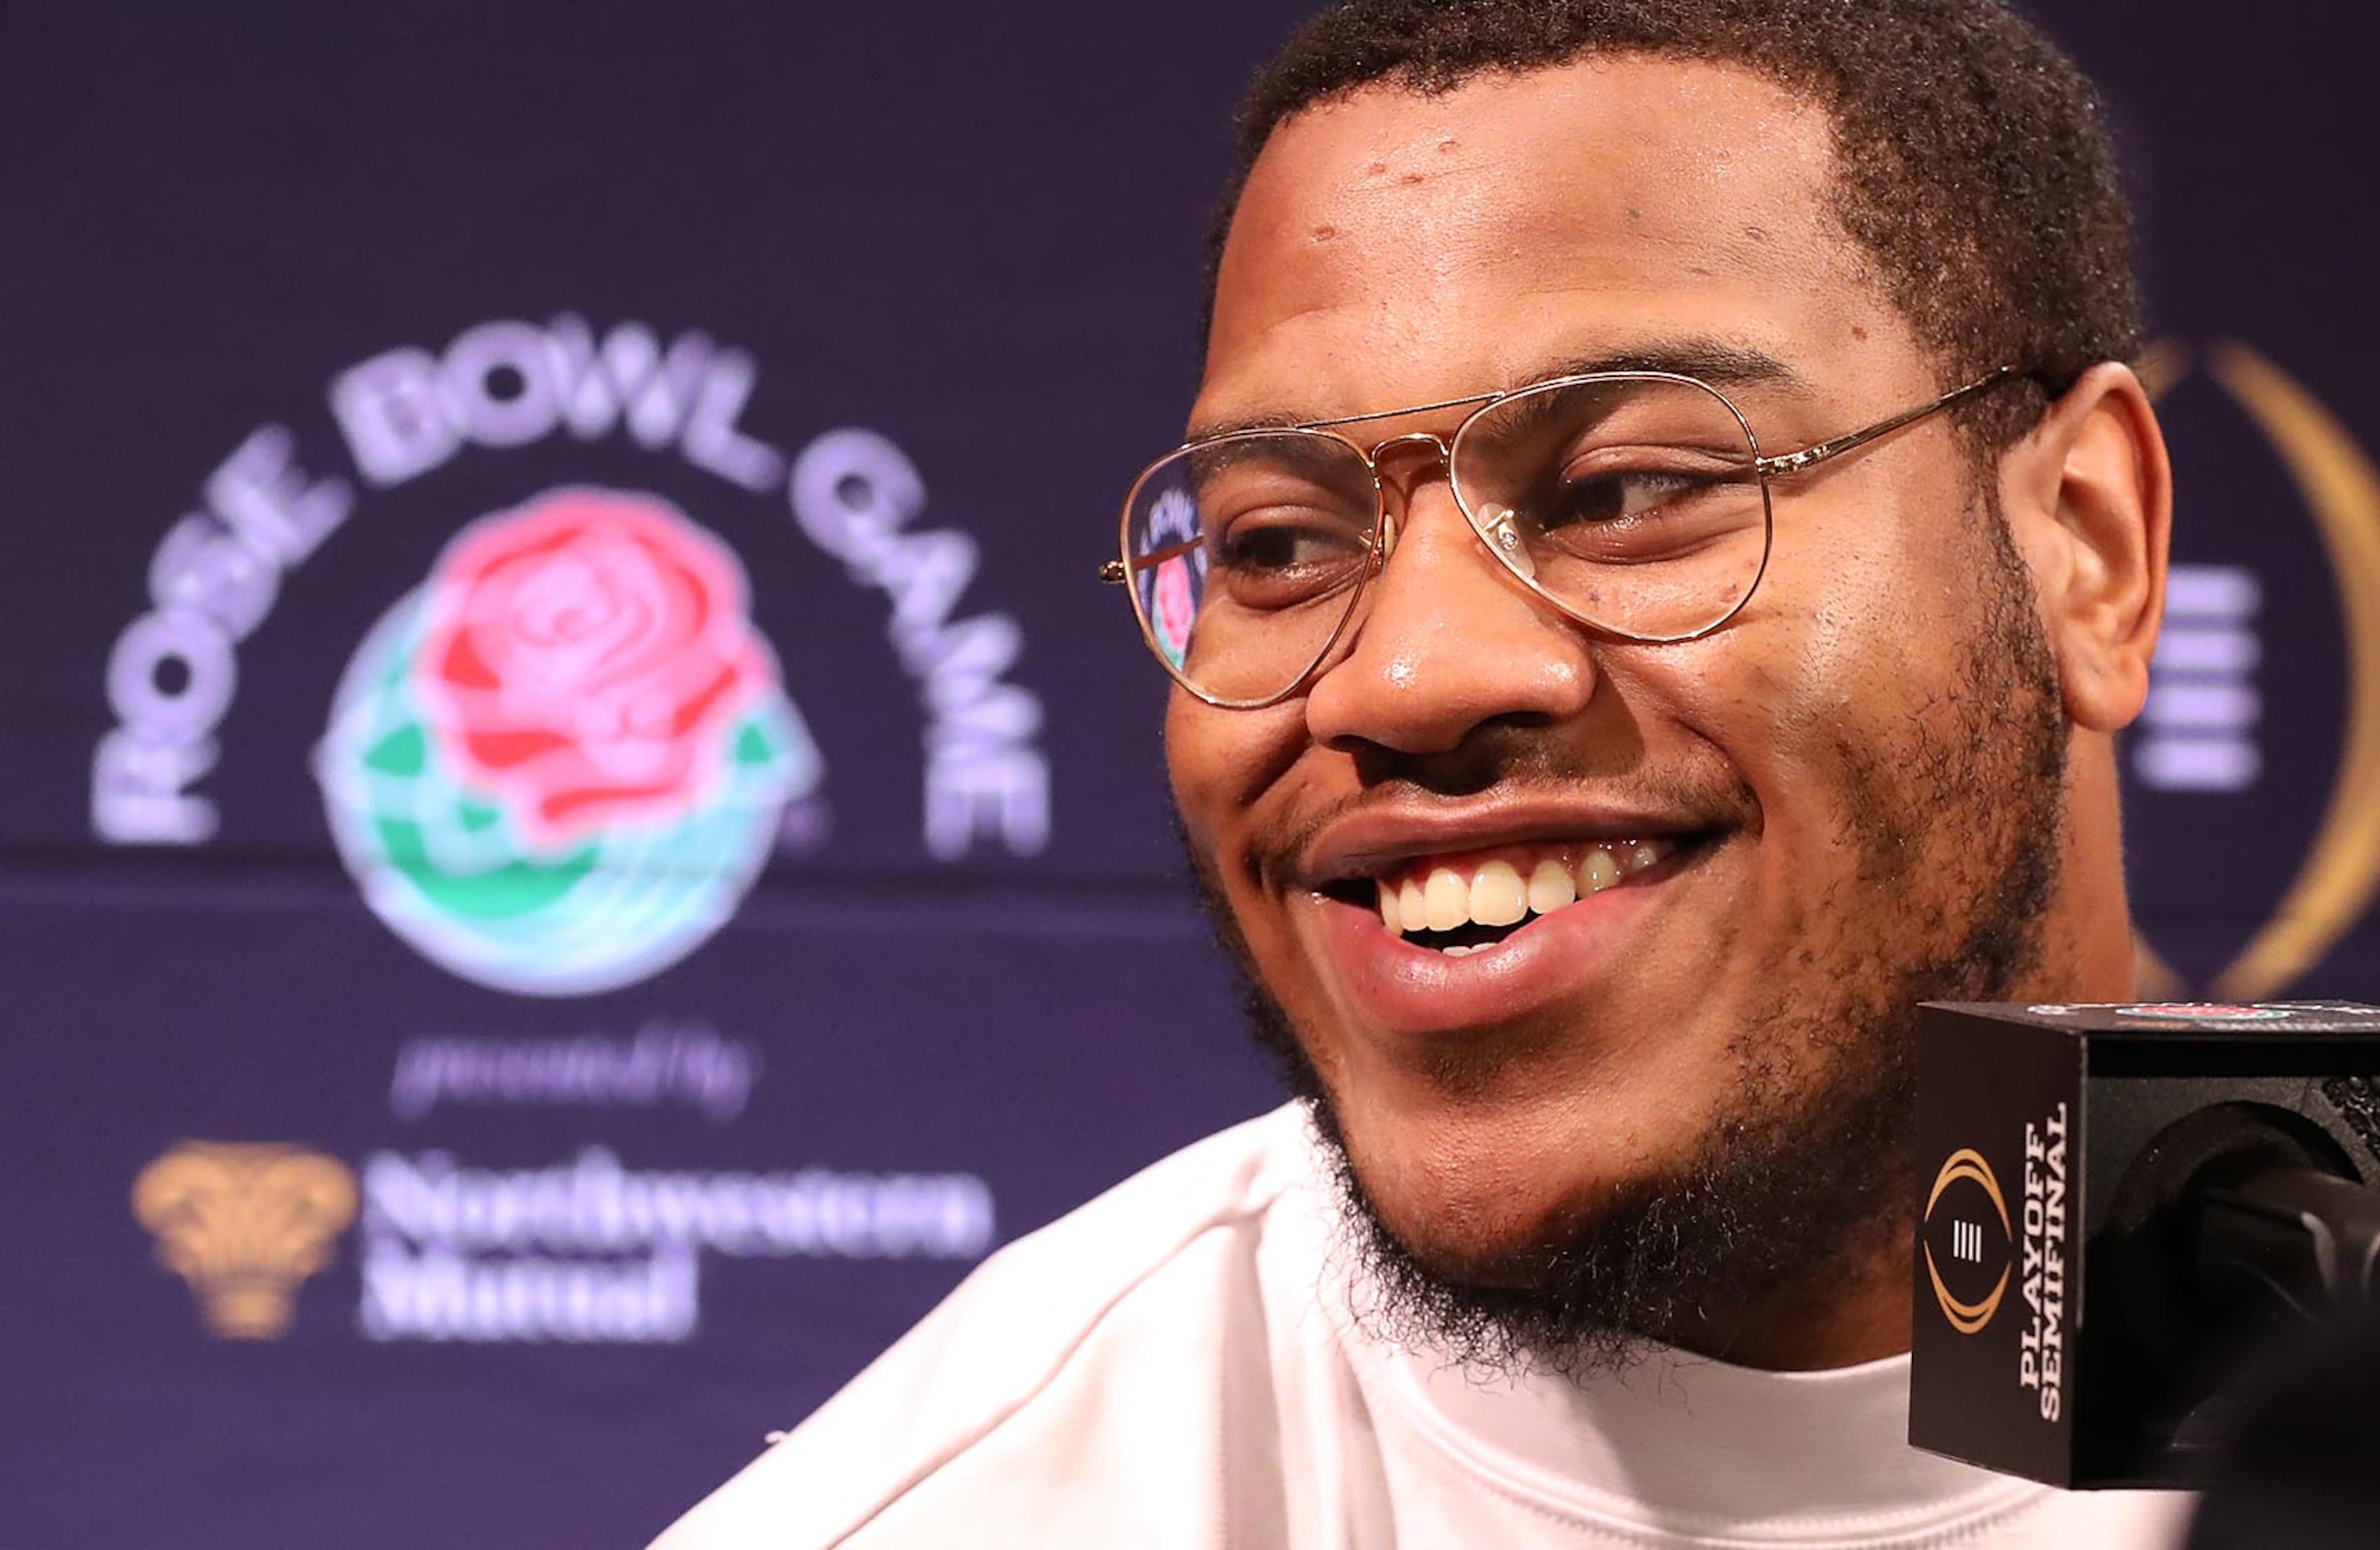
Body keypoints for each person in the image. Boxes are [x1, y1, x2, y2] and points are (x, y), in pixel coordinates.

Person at [657, 1, 2189, 1544]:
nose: (1406, 679)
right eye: (1278, 542)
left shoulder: (2354, 1423)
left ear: (2089, 547)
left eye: (1628, 490)